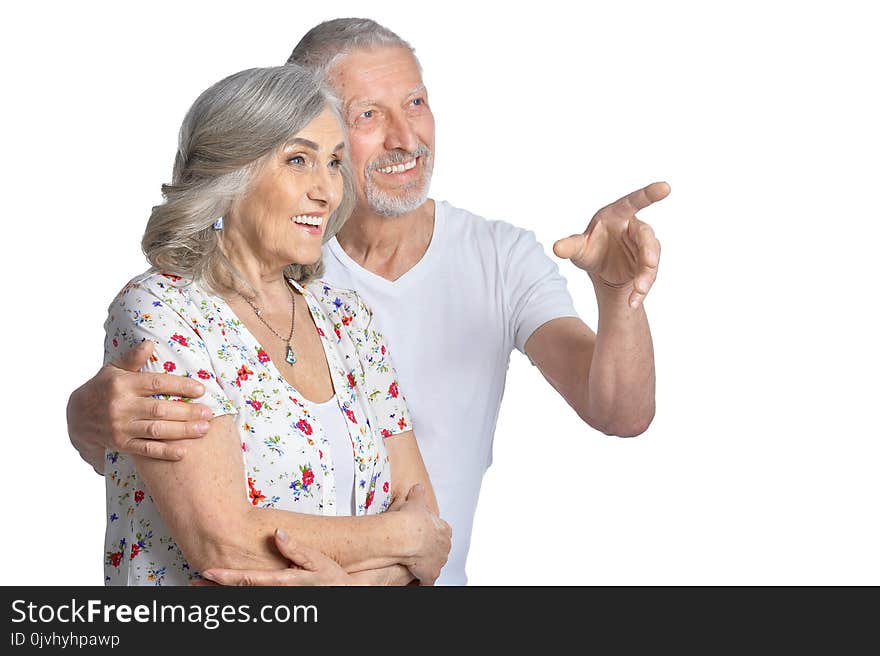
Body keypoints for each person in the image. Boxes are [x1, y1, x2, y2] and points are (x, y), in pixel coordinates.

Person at [69, 19, 668, 586]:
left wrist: (618, 300)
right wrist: (83, 418)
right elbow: (218, 533)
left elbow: (615, 415)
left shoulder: (369, 298)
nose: (405, 137)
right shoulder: (180, 305)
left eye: (415, 102)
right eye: (368, 115)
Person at [98, 63, 450, 586]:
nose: (327, 191)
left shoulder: (348, 317)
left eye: (334, 163)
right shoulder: (161, 312)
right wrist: (404, 538)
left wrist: (348, 588)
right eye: (298, 160)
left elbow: (429, 537)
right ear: (229, 173)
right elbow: (224, 543)